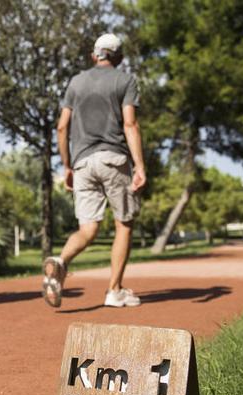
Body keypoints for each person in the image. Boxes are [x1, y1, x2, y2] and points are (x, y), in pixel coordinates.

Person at [42, 33, 147, 308]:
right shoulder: (125, 80)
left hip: (83, 163)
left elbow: (62, 127)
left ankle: (61, 261)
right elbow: (130, 125)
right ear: (119, 57)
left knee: (88, 229)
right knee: (124, 223)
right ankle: (114, 290)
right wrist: (140, 165)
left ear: (94, 55)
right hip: (113, 159)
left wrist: (66, 166)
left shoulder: (76, 82)